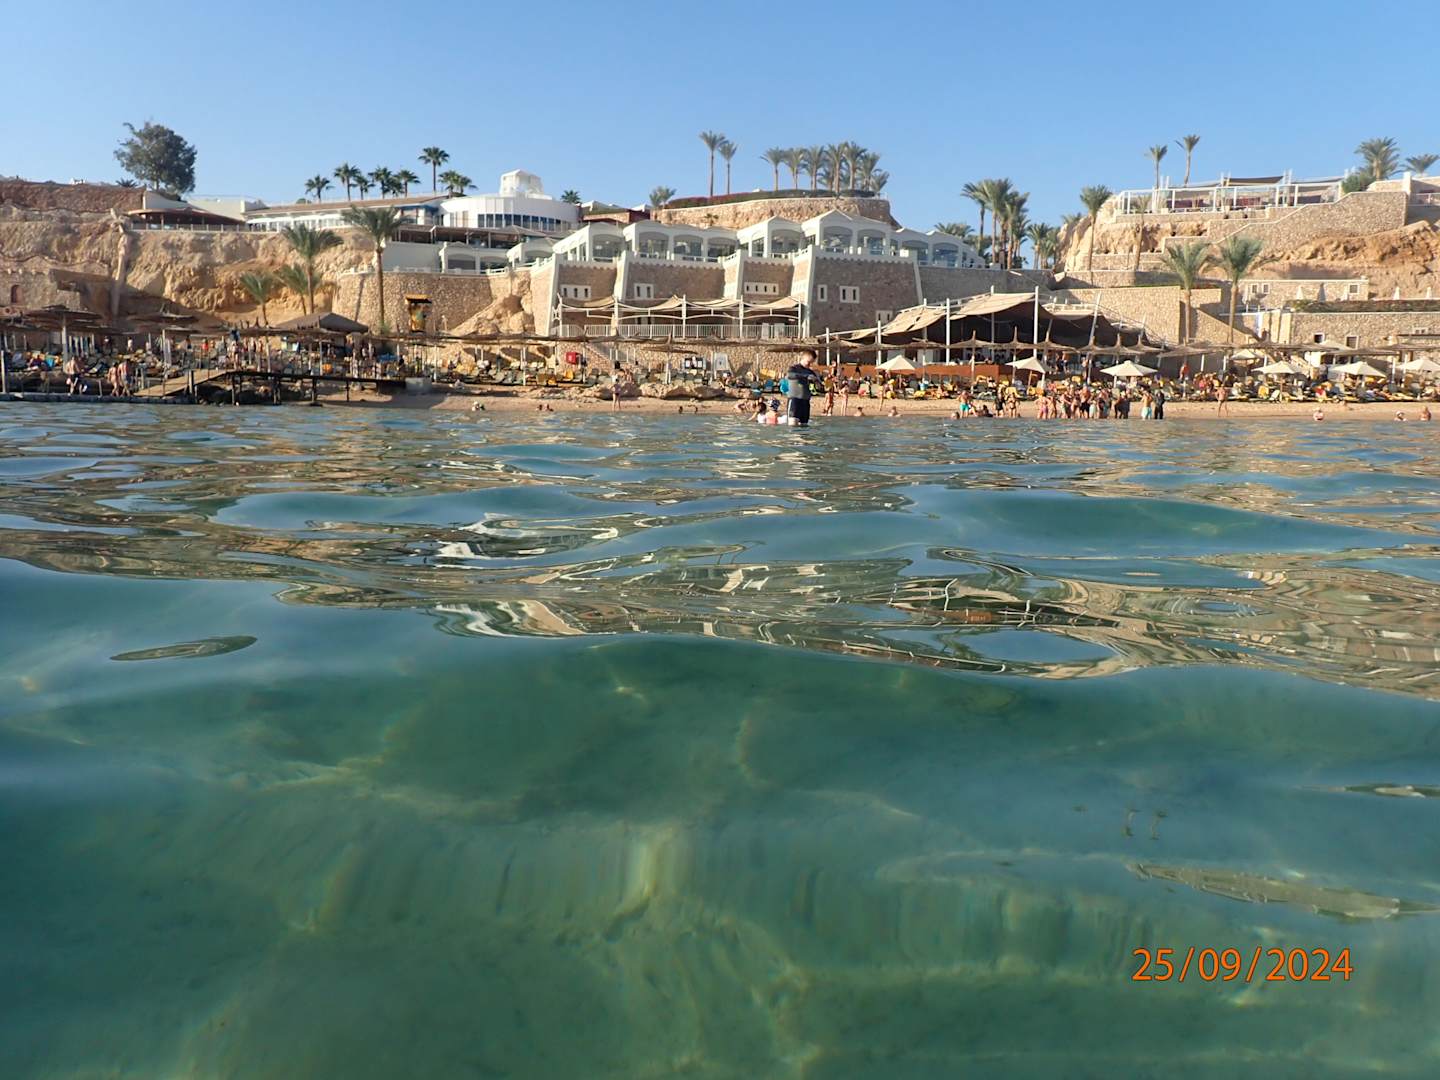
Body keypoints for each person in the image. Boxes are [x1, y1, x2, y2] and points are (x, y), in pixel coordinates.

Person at [785, 352, 821, 427]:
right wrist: (806, 376)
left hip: (805, 401)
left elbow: (819, 386)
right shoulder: (794, 368)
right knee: (792, 425)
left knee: (804, 426)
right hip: (794, 400)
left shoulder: (810, 372)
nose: (809, 365)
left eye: (811, 363)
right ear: (803, 358)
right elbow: (789, 376)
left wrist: (817, 381)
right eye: (808, 362)